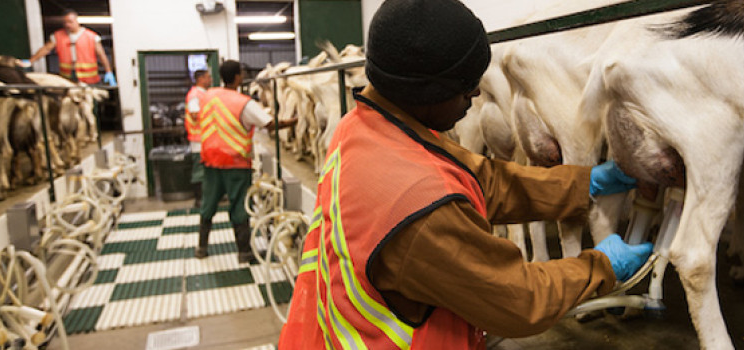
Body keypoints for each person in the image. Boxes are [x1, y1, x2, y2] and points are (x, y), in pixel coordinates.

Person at [278, 0, 653, 349]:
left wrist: (580, 184)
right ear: (427, 92)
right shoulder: (420, 210)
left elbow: (482, 180)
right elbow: (519, 299)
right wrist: (601, 267)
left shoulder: (362, 128)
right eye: (463, 87)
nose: (476, 92)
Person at [195, 60, 296, 262]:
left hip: (210, 160)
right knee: (239, 207)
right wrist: (294, 122)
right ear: (238, 77)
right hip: (235, 163)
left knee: (208, 204)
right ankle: (244, 252)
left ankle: (202, 248)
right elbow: (268, 124)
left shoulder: (208, 96)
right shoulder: (242, 102)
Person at [28, 9, 116, 86]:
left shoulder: (91, 36)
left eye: (70, 22)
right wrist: (30, 61)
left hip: (89, 80)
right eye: (65, 22)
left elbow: (101, 55)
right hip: (68, 78)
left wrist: (108, 71)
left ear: (77, 21)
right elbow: (45, 49)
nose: (67, 25)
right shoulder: (58, 36)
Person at [185, 69, 212, 208]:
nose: (210, 79)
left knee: (205, 169)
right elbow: (195, 114)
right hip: (198, 140)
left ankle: (206, 197)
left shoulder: (203, 94)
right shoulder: (195, 95)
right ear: (200, 79)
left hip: (205, 138)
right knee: (199, 169)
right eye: (208, 77)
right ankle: (199, 199)